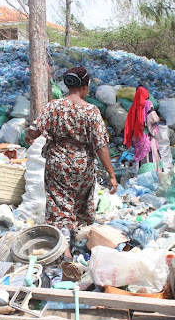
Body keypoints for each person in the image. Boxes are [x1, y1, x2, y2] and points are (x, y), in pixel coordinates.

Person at [25, 67, 118, 232]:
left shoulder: (53, 106)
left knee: (59, 205)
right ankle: (77, 236)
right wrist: (111, 175)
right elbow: (101, 145)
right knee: (81, 203)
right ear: (85, 86)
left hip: (57, 163)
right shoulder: (91, 111)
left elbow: (34, 130)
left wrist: (28, 135)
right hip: (82, 166)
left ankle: (64, 245)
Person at [123, 85, 161, 171]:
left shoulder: (133, 107)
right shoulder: (147, 104)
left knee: (140, 159)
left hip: (138, 138)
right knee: (151, 158)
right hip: (148, 137)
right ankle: (152, 176)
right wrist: (159, 119)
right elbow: (153, 118)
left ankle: (142, 175)